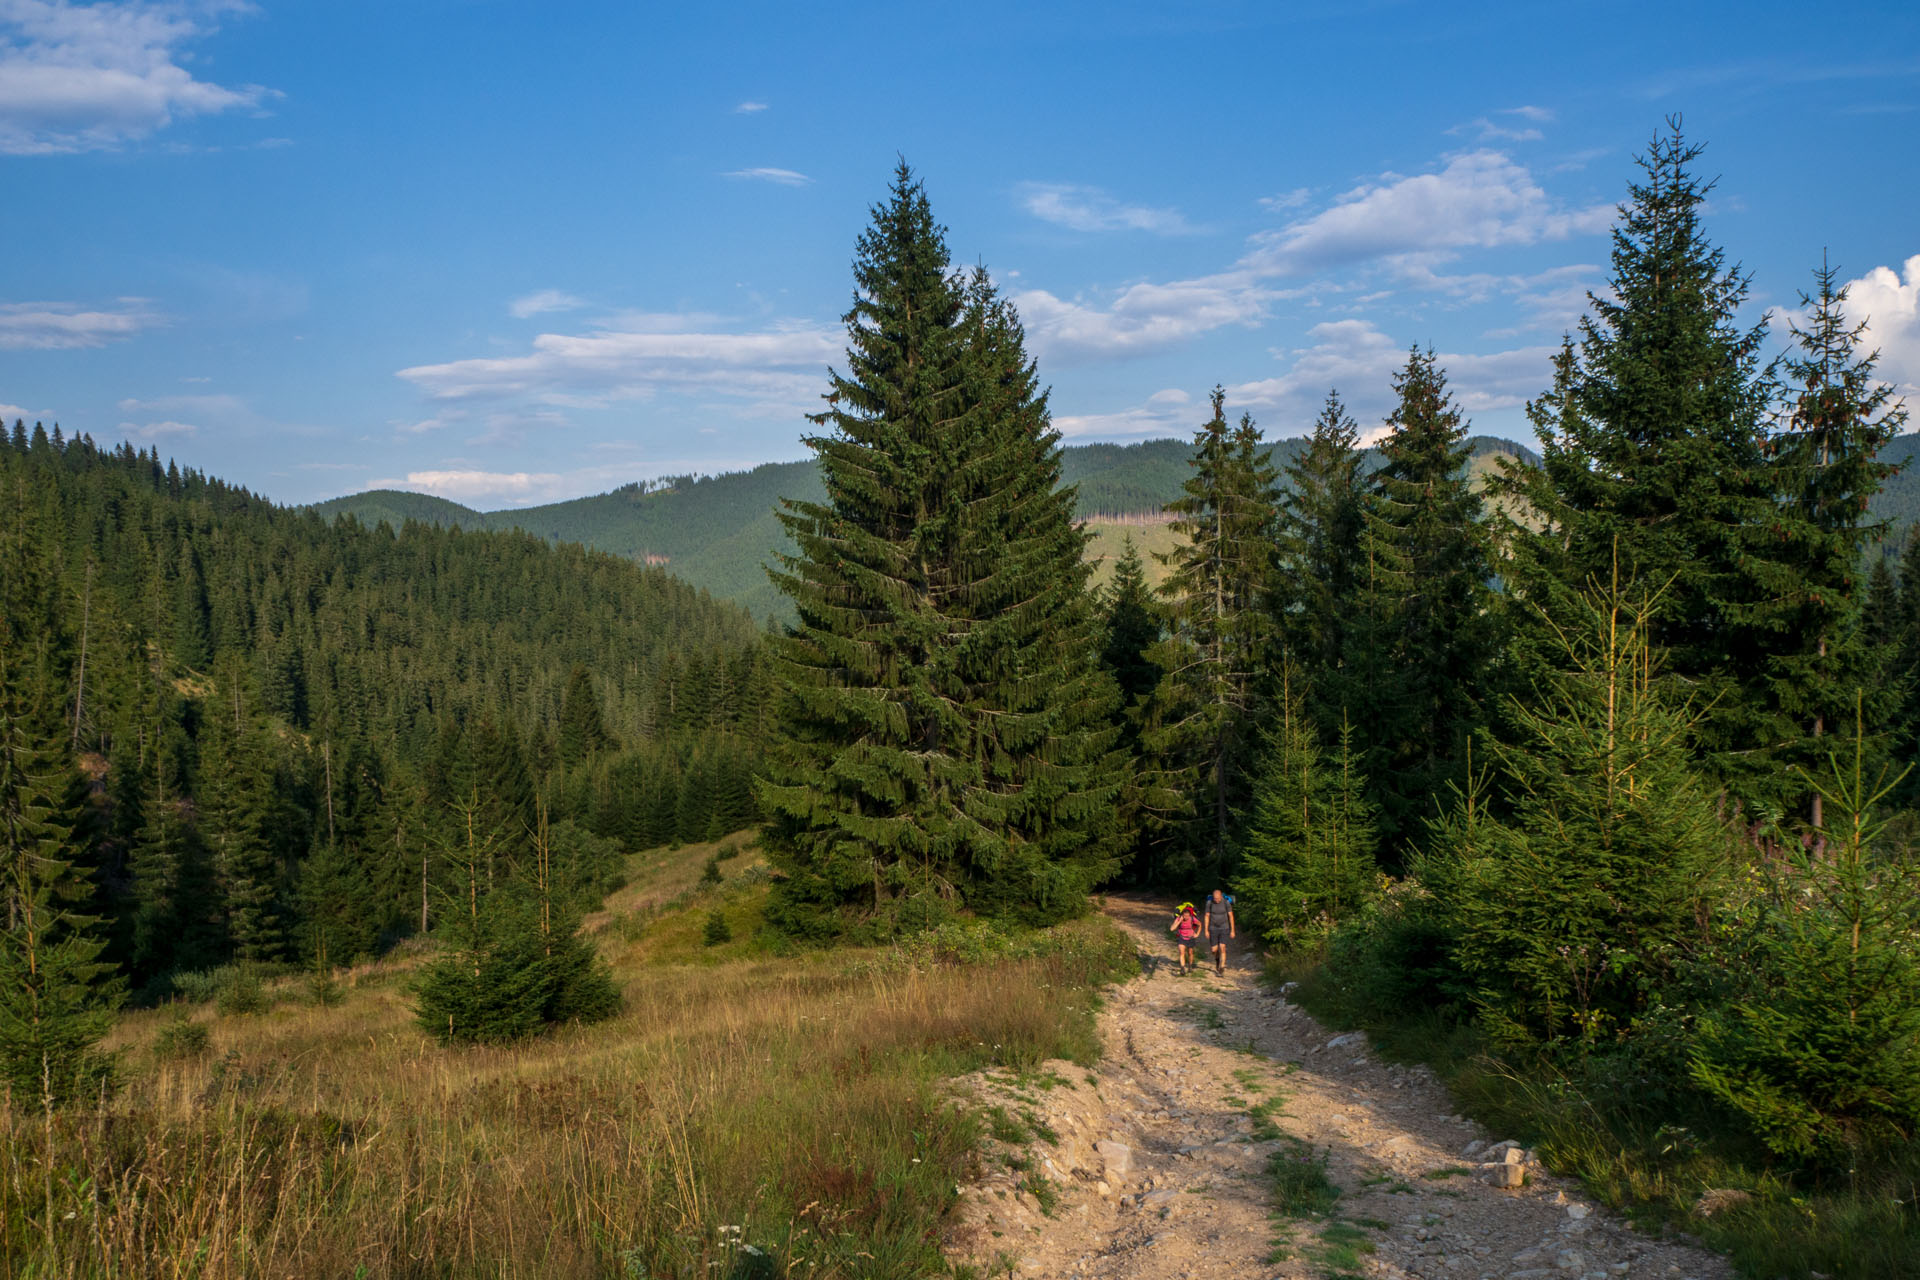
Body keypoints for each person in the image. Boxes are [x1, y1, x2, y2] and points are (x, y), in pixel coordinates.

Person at [1203, 888, 1235, 976]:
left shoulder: (1226, 903)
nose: (1216, 900)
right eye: (1215, 898)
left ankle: (1222, 966)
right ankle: (1217, 960)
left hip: (1224, 927)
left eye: (1218, 898)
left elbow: (1231, 916)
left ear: (1221, 896)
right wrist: (1206, 930)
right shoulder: (1209, 903)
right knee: (1214, 950)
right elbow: (1206, 916)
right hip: (1213, 928)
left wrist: (1232, 930)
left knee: (1222, 947)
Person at [1168, 901, 1201, 974]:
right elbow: (1171, 929)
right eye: (1185, 916)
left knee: (1190, 953)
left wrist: (1197, 934)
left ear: (1190, 915)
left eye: (1187, 916)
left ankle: (1190, 966)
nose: (1186, 917)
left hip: (1190, 937)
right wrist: (1179, 921)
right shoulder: (1179, 919)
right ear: (1182, 915)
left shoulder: (1192, 918)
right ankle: (1182, 968)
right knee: (1182, 952)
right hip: (1181, 937)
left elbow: (1199, 924)